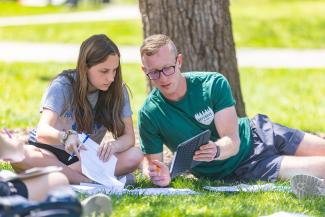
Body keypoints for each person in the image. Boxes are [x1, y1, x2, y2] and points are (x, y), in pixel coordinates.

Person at [137, 34, 325, 187]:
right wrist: (157, 175)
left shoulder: (212, 84)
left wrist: (216, 149)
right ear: (144, 70)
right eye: (153, 72)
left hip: (260, 133)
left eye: (167, 68)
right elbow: (153, 164)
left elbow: (232, 141)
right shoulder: (149, 113)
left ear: (179, 61)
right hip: (247, 167)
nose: (162, 78)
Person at [11, 34, 143, 184]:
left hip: (83, 159)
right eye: (104, 71)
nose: (111, 78)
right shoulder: (63, 86)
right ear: (85, 67)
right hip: (49, 152)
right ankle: (94, 182)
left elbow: (129, 138)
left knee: (135, 155)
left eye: (115, 70)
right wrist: (66, 136)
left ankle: (64, 178)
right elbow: (43, 132)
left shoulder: (118, 90)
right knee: (21, 155)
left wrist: (114, 145)